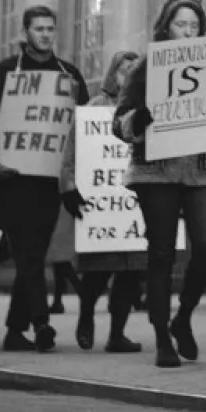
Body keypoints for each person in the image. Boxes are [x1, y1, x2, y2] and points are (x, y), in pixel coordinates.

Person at [114, 0, 206, 368]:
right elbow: (119, 122)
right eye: (180, 24)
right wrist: (141, 119)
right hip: (157, 171)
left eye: (194, 26)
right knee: (161, 253)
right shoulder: (145, 68)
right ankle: (161, 338)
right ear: (165, 27)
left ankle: (182, 317)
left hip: (203, 170)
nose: (187, 31)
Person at [0, 6, 90, 353]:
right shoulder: (4, 74)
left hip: (49, 183)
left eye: (50, 28)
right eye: (39, 29)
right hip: (13, 180)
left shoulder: (69, 76)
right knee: (28, 253)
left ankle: (14, 330)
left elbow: (82, 128)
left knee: (33, 253)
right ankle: (41, 323)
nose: (46, 35)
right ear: (25, 33)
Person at [61, 50, 146, 354]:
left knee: (129, 276)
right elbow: (72, 153)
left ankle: (117, 334)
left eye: (135, 71)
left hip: (133, 209)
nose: (128, 76)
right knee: (97, 274)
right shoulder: (95, 109)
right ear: (113, 73)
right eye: (124, 70)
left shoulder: (144, 108)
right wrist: (69, 188)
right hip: (101, 210)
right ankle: (86, 315)